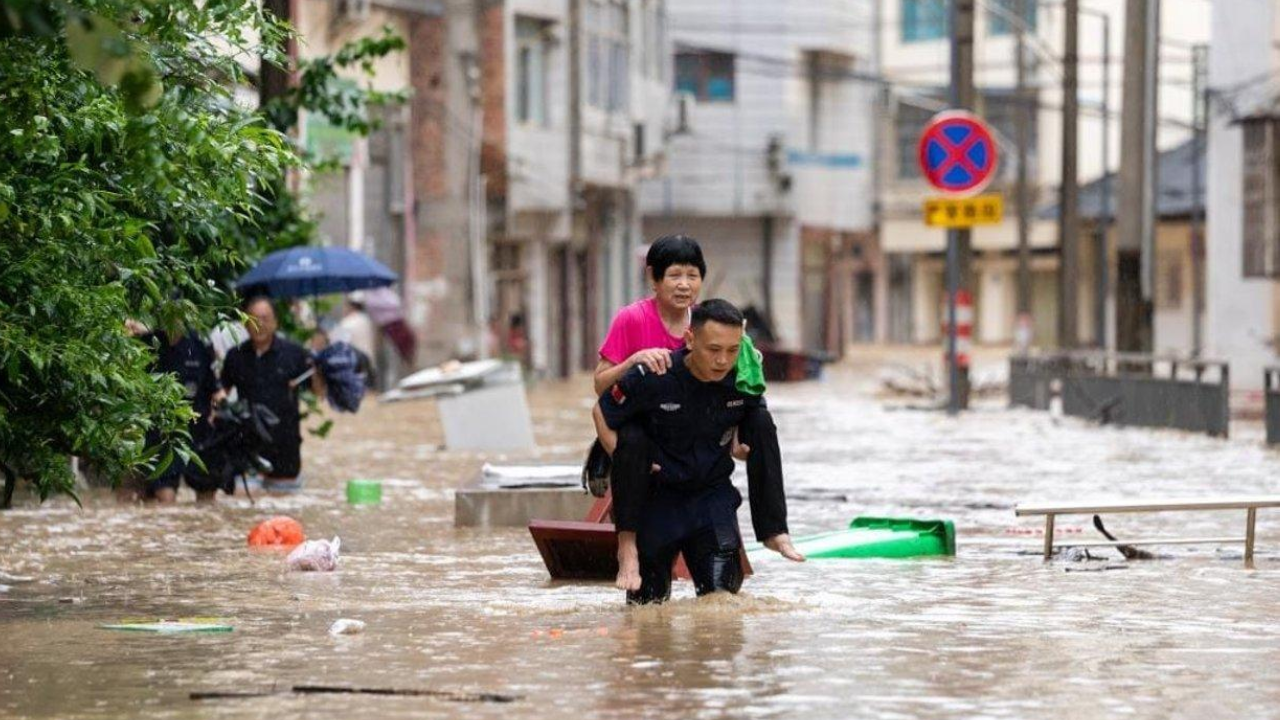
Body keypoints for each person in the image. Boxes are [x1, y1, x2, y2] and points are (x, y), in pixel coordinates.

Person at [592, 299, 804, 604]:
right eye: (713, 349)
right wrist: (626, 459)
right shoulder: (655, 374)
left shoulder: (742, 376)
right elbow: (602, 411)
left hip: (710, 498)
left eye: (732, 350)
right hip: (656, 499)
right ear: (690, 340)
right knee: (646, 610)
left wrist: (740, 442)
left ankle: (774, 531)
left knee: (721, 605)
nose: (722, 360)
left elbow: (753, 422)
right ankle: (627, 547)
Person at [219, 297, 323, 491]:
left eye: (265, 318)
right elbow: (221, 393)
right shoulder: (235, 355)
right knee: (241, 505)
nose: (259, 324)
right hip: (247, 449)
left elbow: (318, 392)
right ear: (245, 322)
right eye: (254, 319)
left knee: (282, 506)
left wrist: (318, 367)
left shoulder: (295, 354)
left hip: (285, 449)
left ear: (275, 322)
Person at [122, 320, 222, 504]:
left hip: (198, 432)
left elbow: (215, 389)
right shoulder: (146, 342)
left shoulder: (200, 343)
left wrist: (219, 411)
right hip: (160, 432)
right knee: (165, 496)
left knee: (207, 493)